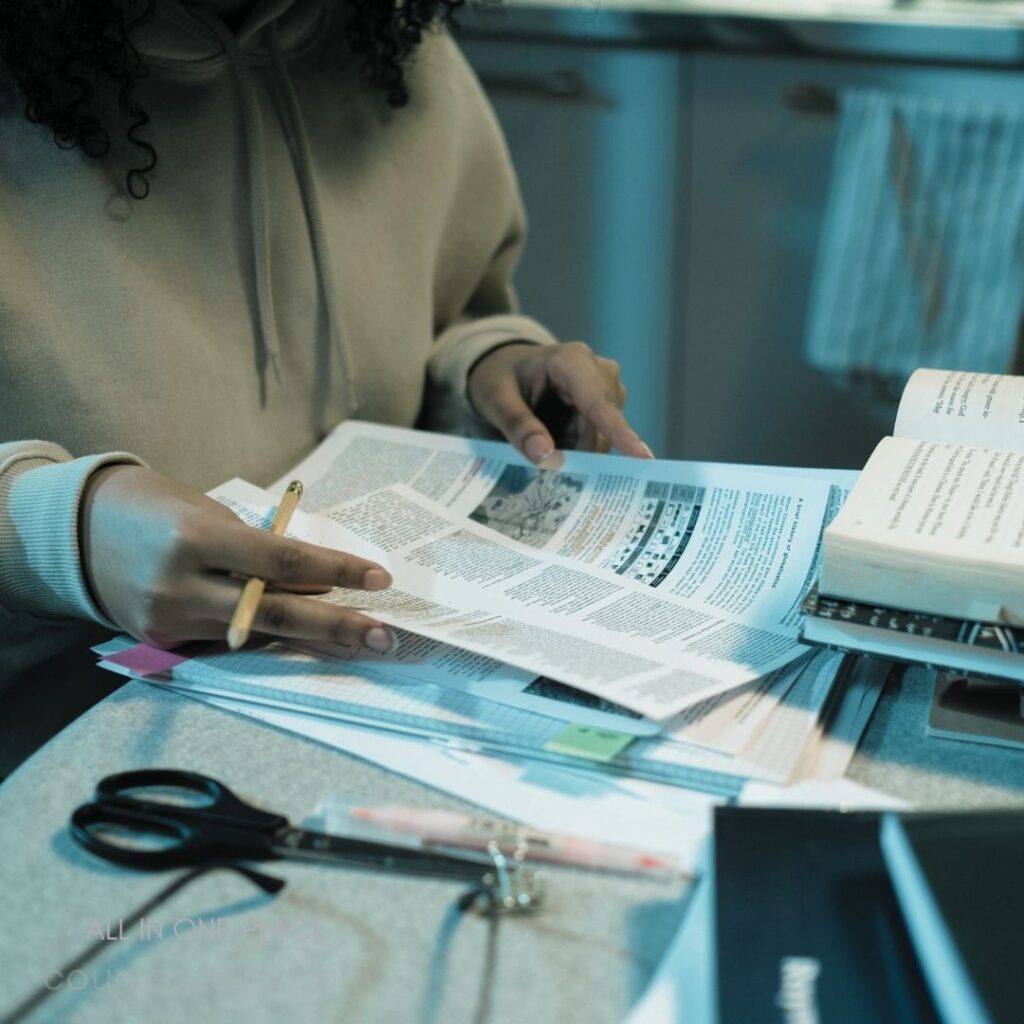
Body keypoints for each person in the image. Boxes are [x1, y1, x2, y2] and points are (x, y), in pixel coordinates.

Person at [0, 0, 651, 769]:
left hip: (372, 682)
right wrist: (53, 536)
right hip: (62, 730)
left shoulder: (395, 43)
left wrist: (488, 368)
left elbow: (450, 310)